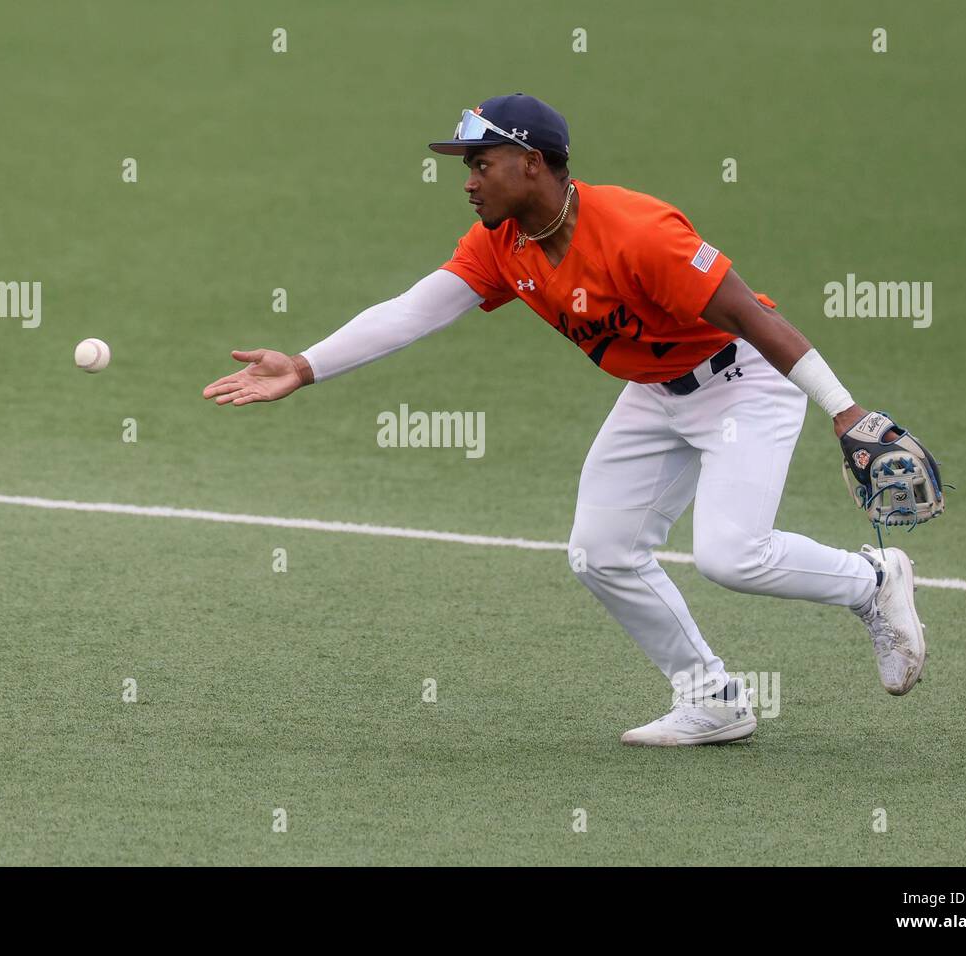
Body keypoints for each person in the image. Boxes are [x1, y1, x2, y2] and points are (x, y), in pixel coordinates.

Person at [202, 93, 926, 746]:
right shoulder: (501, 245)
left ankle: (872, 581)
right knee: (601, 551)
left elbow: (753, 317)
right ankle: (713, 698)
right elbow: (415, 310)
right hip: (653, 392)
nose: (468, 179)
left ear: (532, 163)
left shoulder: (639, 232)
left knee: (731, 555)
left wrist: (846, 413)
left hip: (741, 384)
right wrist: (302, 366)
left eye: (481, 162)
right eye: (468, 164)